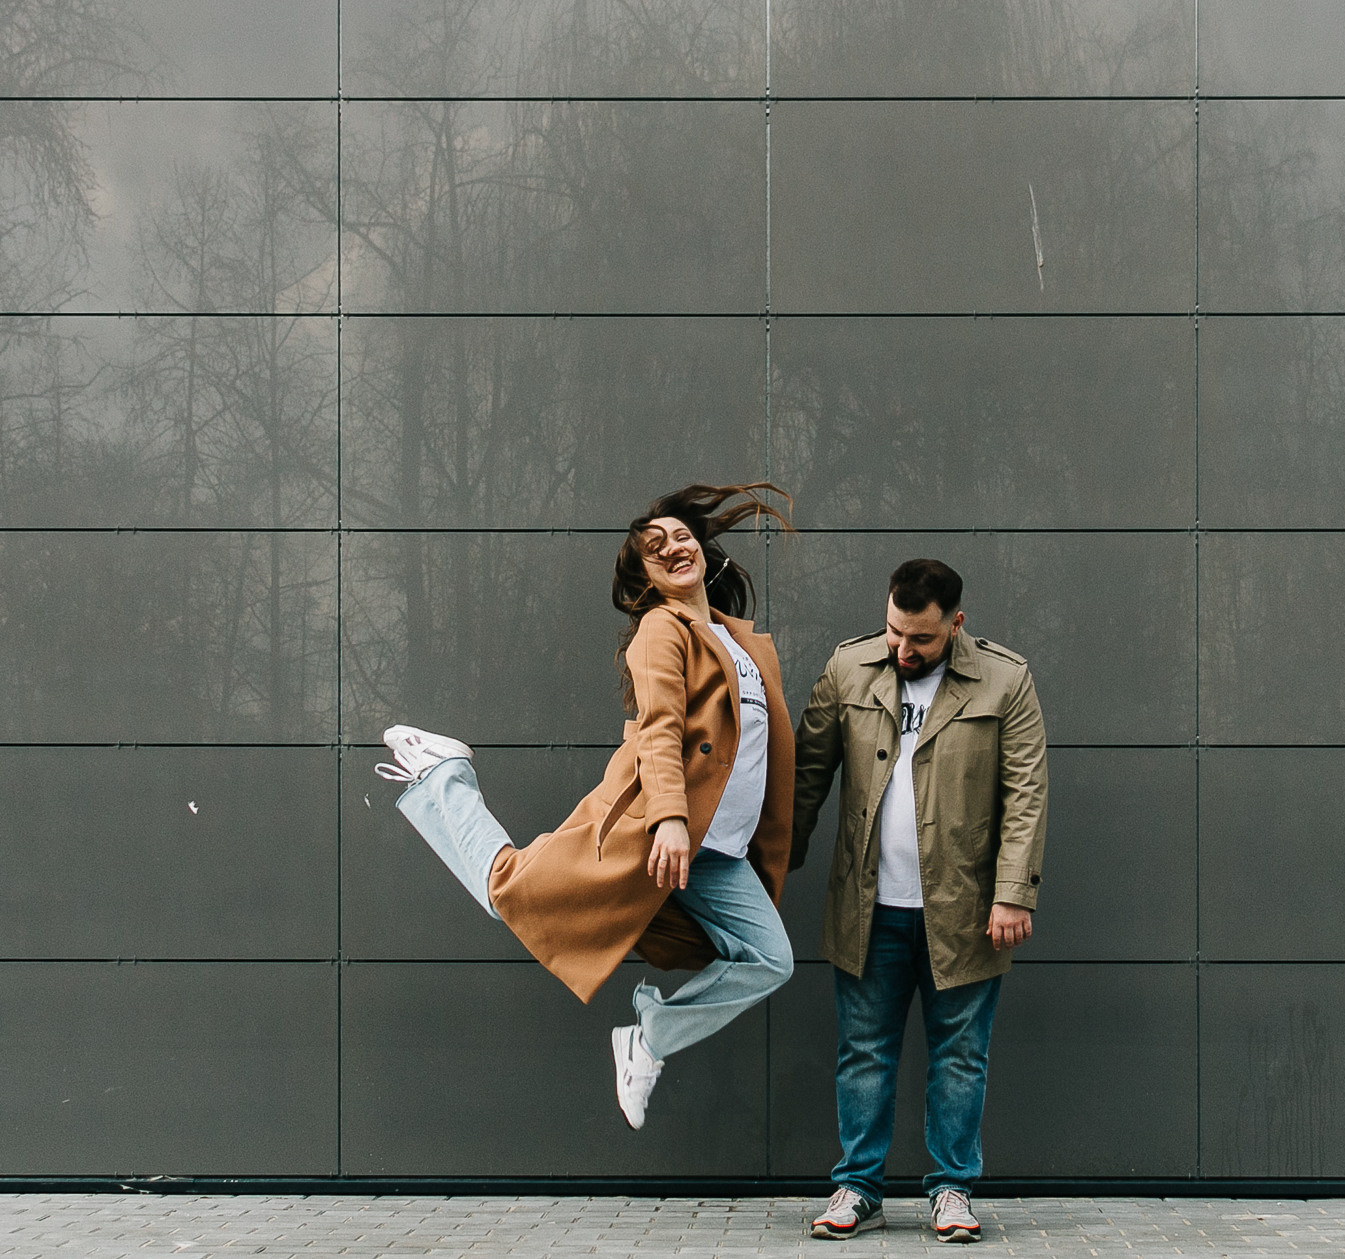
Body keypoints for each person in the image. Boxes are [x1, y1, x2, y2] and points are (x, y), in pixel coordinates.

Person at [375, 482, 797, 1129]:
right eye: (656, 547)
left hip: (721, 854)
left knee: (771, 960)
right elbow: (659, 726)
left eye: (682, 535)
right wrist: (672, 819)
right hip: (654, 833)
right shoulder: (662, 629)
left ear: (706, 551)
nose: (673, 546)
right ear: (648, 577)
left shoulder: (744, 642)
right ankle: (444, 773)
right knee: (508, 890)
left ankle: (648, 1034)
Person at [789, 558, 1049, 1244]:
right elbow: (807, 771)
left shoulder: (1006, 678)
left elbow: (1026, 794)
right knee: (863, 1051)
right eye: (893, 631)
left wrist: (1013, 892)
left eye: (921, 639)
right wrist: (770, 860)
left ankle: (952, 1189)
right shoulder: (849, 668)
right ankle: (858, 1186)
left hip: (965, 910)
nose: (902, 649)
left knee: (961, 1056)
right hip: (866, 904)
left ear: (956, 624)